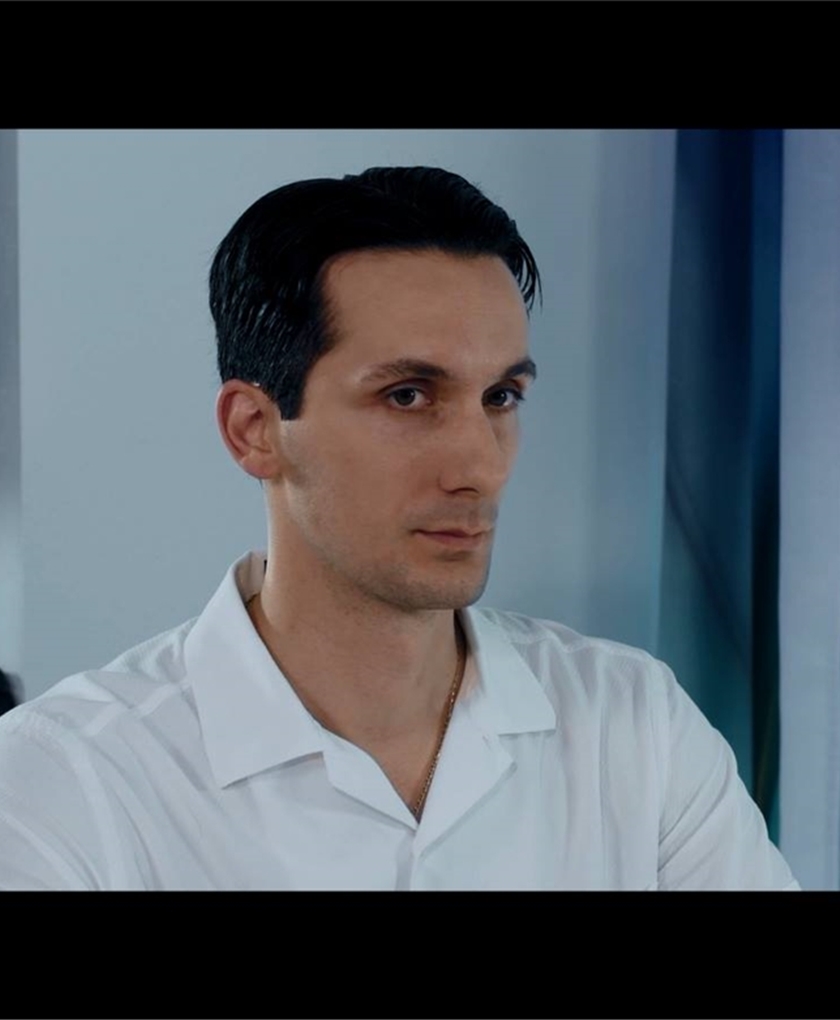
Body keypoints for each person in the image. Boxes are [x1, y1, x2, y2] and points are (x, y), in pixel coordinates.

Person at [0, 166, 798, 890]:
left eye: (501, 398)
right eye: (408, 397)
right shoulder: (67, 780)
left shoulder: (633, 726)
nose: (480, 466)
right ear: (255, 429)